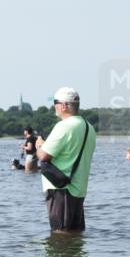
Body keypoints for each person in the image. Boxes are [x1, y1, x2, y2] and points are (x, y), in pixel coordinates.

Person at [35, 87, 96, 234]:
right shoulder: (89, 127)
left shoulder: (64, 126)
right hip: (79, 190)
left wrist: (39, 145)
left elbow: (43, 155)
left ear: (63, 105)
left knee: (60, 234)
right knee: (75, 235)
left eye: (55, 103)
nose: (54, 106)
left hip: (61, 190)